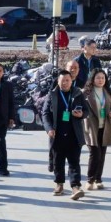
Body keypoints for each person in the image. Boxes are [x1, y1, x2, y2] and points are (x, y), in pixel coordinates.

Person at [42, 70, 88, 200]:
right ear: (58, 81)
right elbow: (45, 113)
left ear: (71, 81)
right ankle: (59, 184)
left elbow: (86, 110)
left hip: (74, 134)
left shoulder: (78, 93)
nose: (65, 83)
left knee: (74, 162)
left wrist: (82, 114)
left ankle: (75, 187)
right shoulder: (52, 95)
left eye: (68, 80)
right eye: (63, 80)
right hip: (57, 134)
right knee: (58, 161)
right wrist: (49, 129)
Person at [81, 69, 111, 191]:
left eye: (103, 78)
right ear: (92, 79)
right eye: (98, 78)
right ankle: (90, 180)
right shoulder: (86, 93)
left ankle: (98, 179)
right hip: (91, 126)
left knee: (102, 155)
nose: (101, 80)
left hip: (105, 126)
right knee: (95, 154)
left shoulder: (107, 91)